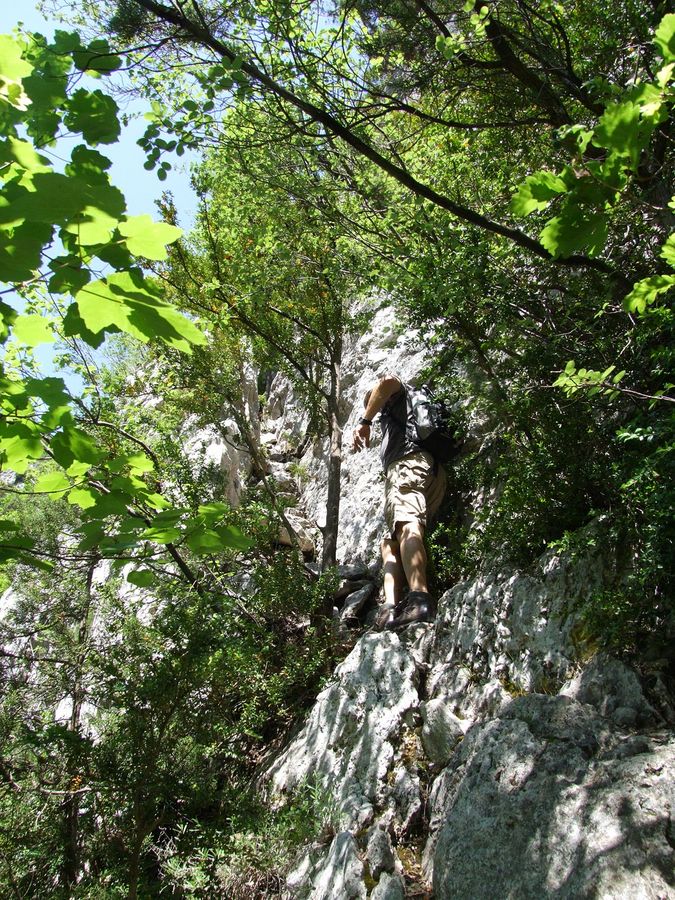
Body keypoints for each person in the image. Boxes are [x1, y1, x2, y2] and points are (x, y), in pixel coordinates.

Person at [352, 374, 447, 629]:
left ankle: (420, 600)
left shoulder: (396, 396)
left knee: (407, 526)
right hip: (427, 470)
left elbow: (388, 382)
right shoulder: (397, 420)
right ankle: (390, 609)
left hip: (408, 465)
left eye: (372, 402)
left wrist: (365, 421)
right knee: (390, 542)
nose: (371, 407)